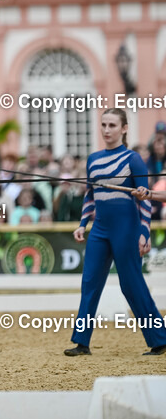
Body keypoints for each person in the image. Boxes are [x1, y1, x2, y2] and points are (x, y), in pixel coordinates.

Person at [65, 108, 166, 356]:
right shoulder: (93, 159)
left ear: (124, 129)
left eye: (112, 125)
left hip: (127, 228)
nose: (107, 130)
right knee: (90, 282)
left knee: (131, 284)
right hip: (100, 229)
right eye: (104, 125)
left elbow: (145, 199)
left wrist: (145, 231)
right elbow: (91, 194)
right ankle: (82, 342)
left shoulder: (133, 159)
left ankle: (160, 339)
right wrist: (82, 224)